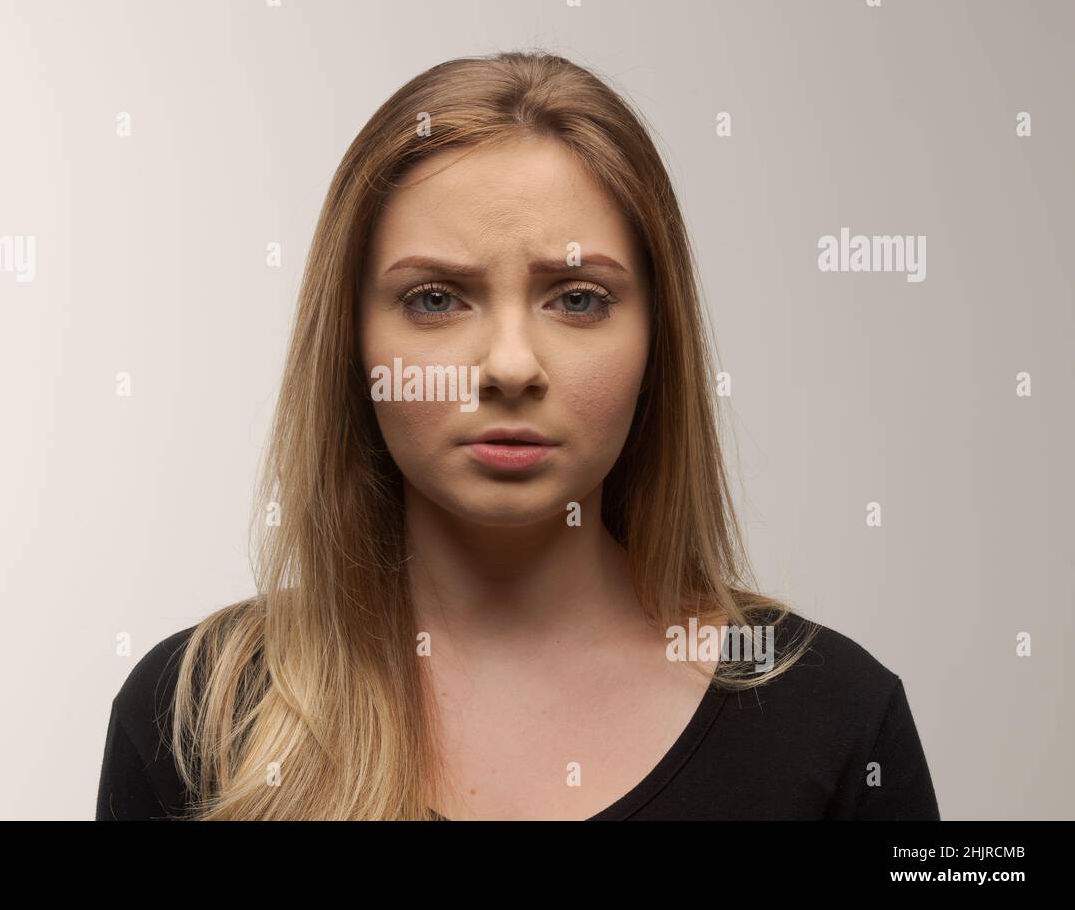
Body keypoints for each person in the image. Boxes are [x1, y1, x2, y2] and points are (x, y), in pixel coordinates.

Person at [96, 50, 939, 821]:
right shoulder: (197, 719)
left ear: (659, 342)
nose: (508, 365)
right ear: (350, 344)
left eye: (576, 297)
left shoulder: (837, 723)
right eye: (435, 297)